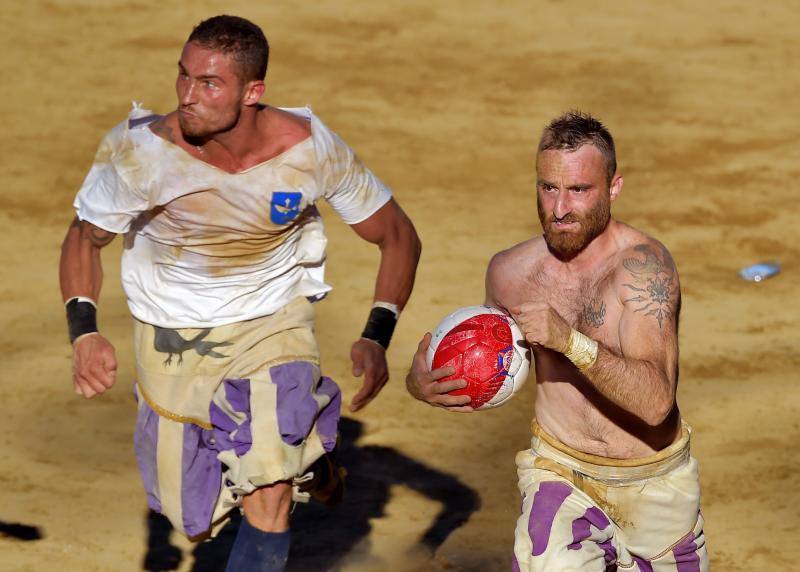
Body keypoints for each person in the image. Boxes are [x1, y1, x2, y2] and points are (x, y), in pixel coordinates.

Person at [59, 15, 421, 572]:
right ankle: (311, 457)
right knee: (193, 518)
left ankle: (288, 455)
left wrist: (377, 335)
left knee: (268, 492)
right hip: (173, 337)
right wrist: (84, 332)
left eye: (209, 84)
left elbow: (397, 235)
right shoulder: (140, 154)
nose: (187, 96)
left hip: (272, 323)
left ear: (254, 92)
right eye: (183, 77)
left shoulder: (309, 149)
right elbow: (85, 238)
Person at [406, 111, 707, 570]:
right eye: (549, 188)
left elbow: (655, 403)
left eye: (579, 190)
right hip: (559, 471)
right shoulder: (509, 273)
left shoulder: (644, 270)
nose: (560, 208)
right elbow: (499, 367)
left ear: (613, 187)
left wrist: (569, 341)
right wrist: (426, 383)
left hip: (655, 486)